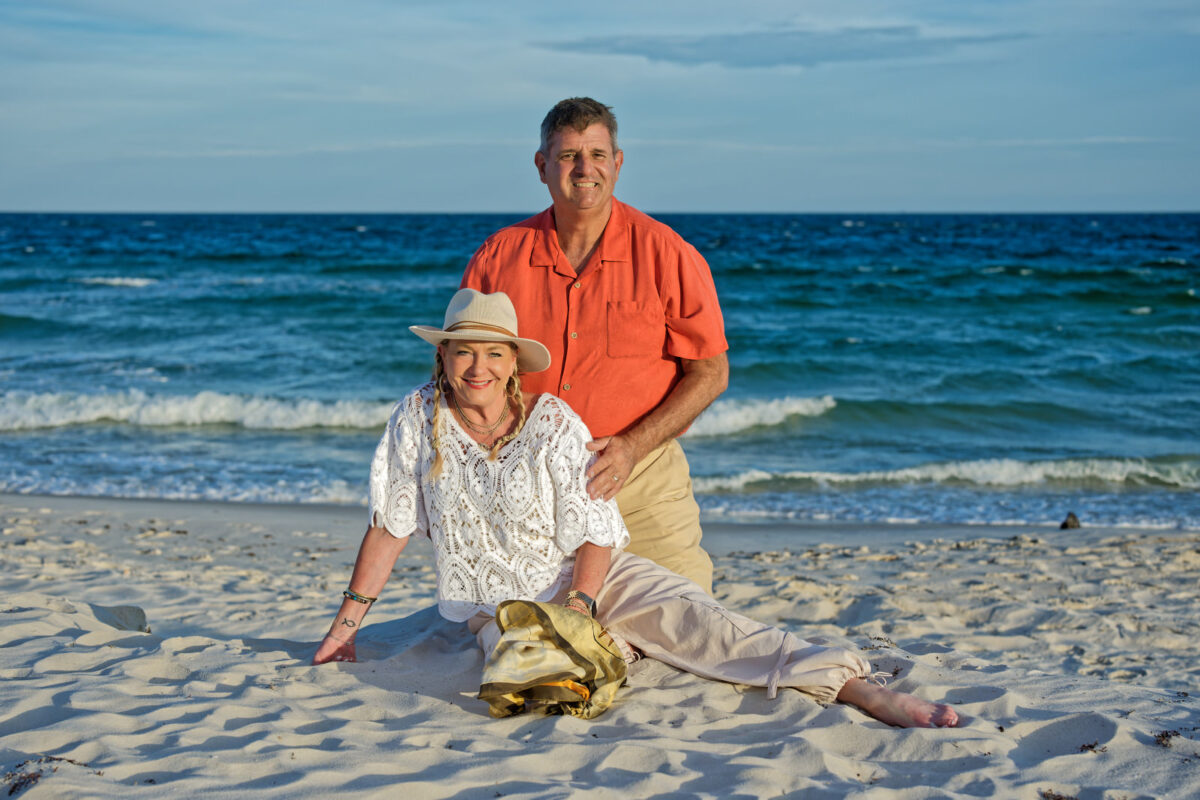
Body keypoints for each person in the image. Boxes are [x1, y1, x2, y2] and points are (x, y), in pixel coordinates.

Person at [312, 289, 959, 729]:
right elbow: (390, 524)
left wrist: (583, 603)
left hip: (595, 578)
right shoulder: (416, 422)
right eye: (464, 350)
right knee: (535, 681)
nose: (477, 365)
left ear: (513, 363)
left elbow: (595, 528)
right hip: (499, 602)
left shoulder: (552, 423)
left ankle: (860, 689)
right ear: (443, 356)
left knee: (706, 624)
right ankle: (613, 650)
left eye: (493, 352)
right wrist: (345, 629)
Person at [460, 97, 726, 594]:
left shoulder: (668, 253)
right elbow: (467, 374)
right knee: (530, 633)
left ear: (618, 163)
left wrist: (632, 446)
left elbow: (710, 372)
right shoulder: (498, 257)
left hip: (644, 482)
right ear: (542, 166)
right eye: (567, 156)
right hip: (532, 490)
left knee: (693, 620)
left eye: (598, 155)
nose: (585, 169)